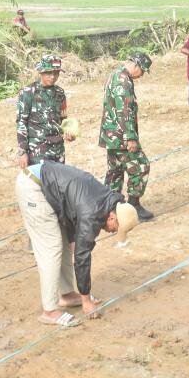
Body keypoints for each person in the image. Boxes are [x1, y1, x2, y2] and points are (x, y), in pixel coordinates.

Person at [15, 159, 139, 327]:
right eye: (115, 228)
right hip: (34, 187)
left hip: (48, 186)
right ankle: (49, 311)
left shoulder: (105, 200)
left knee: (65, 243)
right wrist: (86, 300)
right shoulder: (93, 213)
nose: (112, 232)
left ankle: (66, 295)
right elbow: (82, 258)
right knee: (51, 247)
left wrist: (74, 239)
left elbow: (73, 206)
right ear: (112, 217)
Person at [98, 52, 153, 221]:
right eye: (142, 71)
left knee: (115, 171)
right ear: (135, 65)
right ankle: (133, 205)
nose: (142, 75)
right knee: (141, 166)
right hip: (121, 136)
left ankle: (109, 208)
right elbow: (124, 111)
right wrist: (130, 137)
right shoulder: (123, 81)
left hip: (110, 135)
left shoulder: (115, 74)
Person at [17, 54, 73, 166]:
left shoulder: (60, 93)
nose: (53, 77)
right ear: (40, 72)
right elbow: (21, 122)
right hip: (38, 151)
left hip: (58, 150)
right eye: (48, 73)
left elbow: (63, 119)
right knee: (40, 182)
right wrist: (23, 151)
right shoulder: (28, 92)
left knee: (58, 182)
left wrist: (69, 132)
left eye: (56, 73)